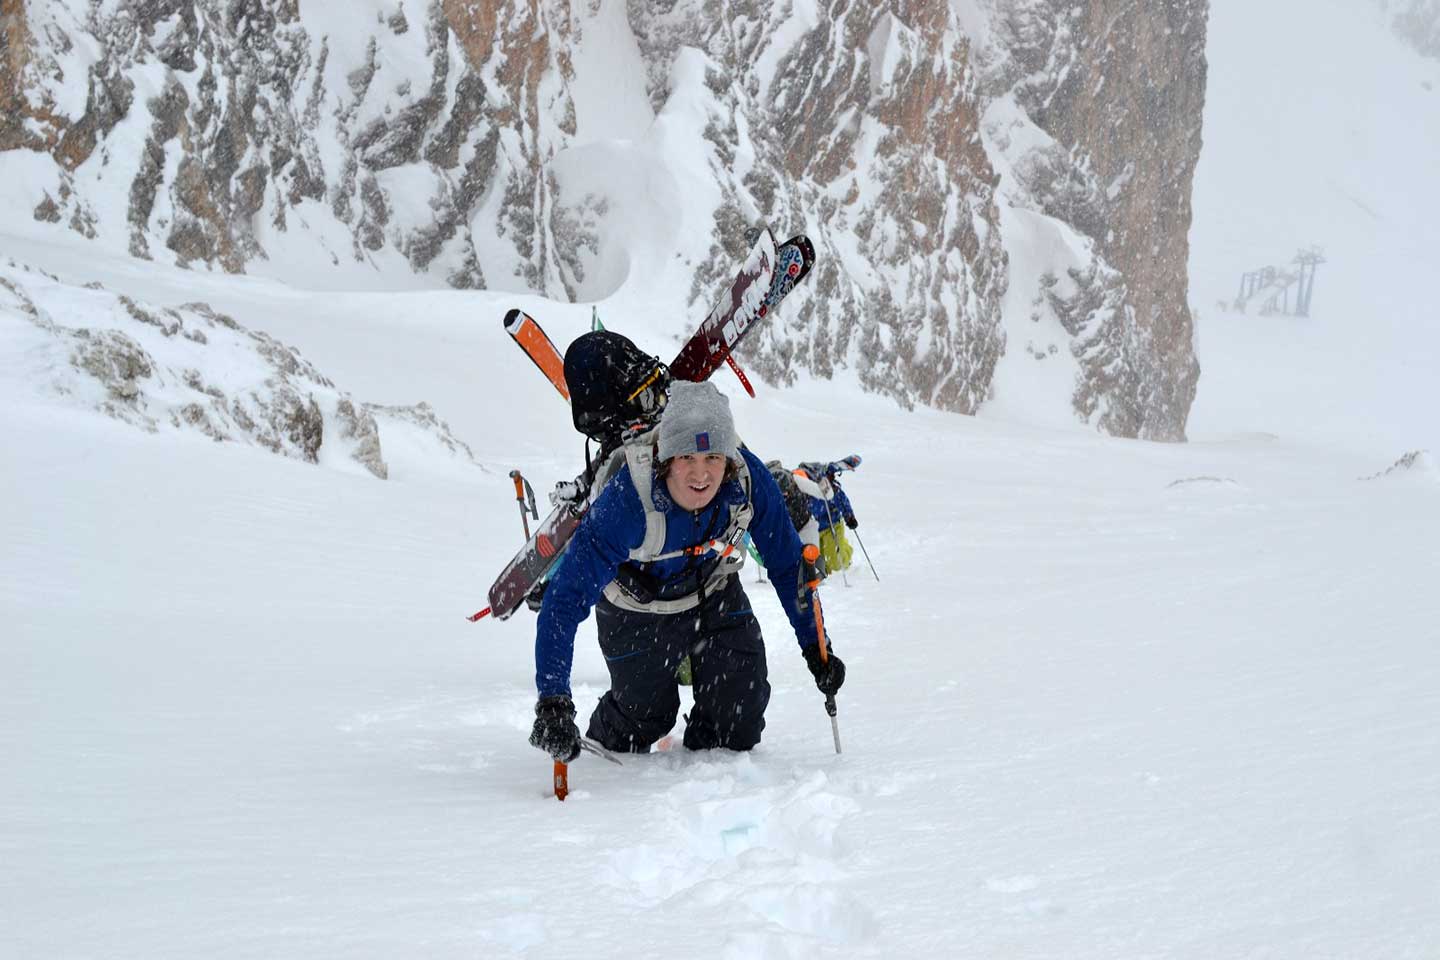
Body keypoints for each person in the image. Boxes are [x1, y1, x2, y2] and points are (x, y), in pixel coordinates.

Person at [528, 381, 847, 759]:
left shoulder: (748, 480)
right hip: (636, 610)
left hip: (713, 593)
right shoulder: (628, 500)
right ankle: (611, 733)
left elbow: (788, 564)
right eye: (687, 459)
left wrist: (815, 646)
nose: (701, 474)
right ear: (666, 459)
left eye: (713, 458)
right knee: (641, 722)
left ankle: (707, 778)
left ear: (728, 460)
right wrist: (553, 702)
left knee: (737, 722)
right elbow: (565, 600)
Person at [795, 461, 860, 575]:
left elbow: (839, 498)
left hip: (832, 525)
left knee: (835, 562)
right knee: (822, 564)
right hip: (813, 529)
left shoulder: (822, 486)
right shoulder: (796, 493)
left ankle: (846, 552)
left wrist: (849, 516)